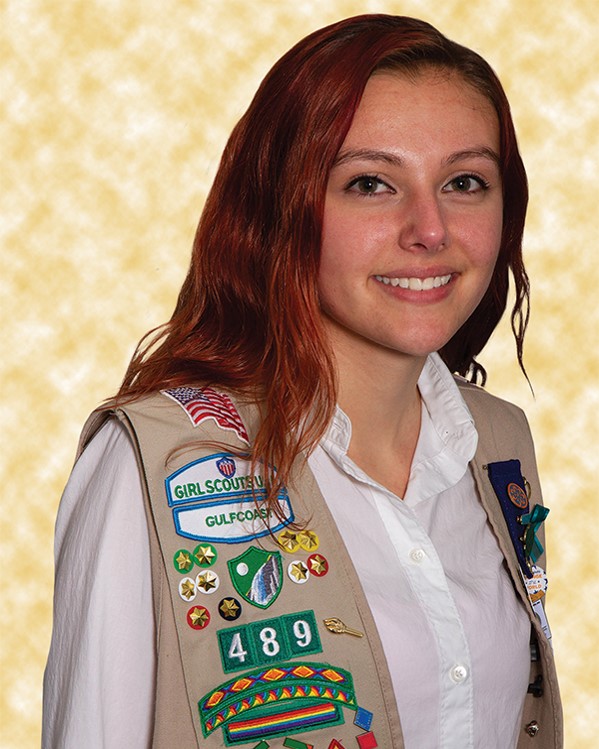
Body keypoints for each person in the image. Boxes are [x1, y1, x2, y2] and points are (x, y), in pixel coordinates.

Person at [43, 14, 562, 749]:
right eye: (370, 183)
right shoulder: (151, 463)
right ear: (280, 208)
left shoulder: (499, 442)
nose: (429, 229)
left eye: (464, 182)